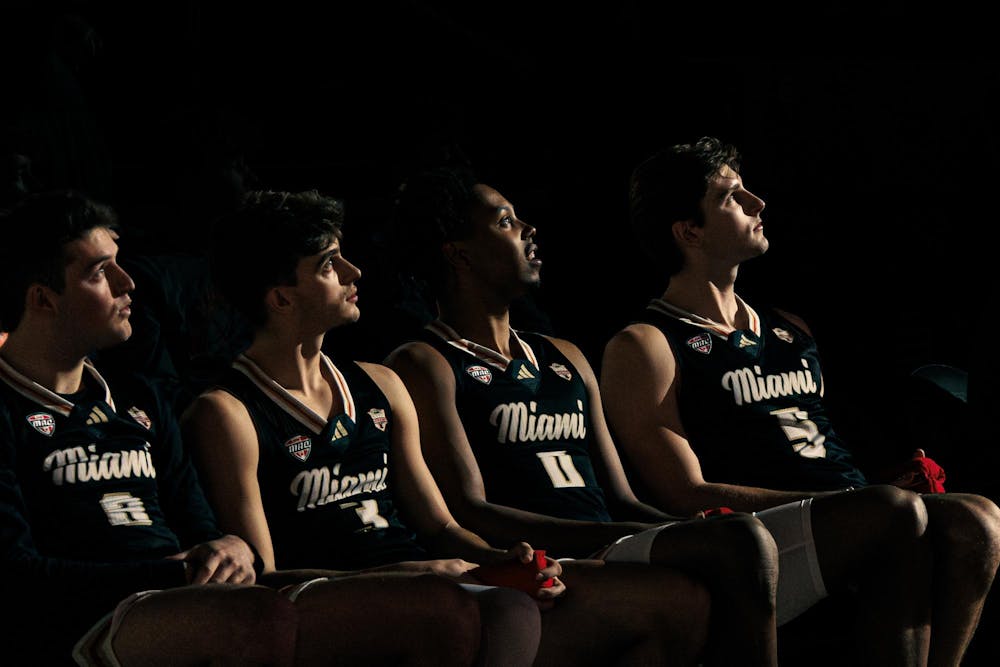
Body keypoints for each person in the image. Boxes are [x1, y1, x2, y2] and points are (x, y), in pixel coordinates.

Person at [180, 189, 712, 667]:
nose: (353, 272)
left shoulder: (379, 383)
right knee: (477, 615)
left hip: (443, 584)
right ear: (281, 297)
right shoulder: (227, 411)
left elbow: (441, 527)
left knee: (679, 602)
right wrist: (415, 578)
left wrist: (502, 559)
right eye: (328, 264)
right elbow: (266, 581)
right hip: (351, 605)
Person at [0, 190, 490, 667]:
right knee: (258, 616)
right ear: (43, 299)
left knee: (463, 613)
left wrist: (227, 547)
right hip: (84, 617)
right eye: (101, 272)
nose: (129, 283)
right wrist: (176, 572)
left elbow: (203, 530)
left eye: (120, 263)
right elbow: (19, 574)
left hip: (177, 596)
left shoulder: (141, 397)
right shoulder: (8, 407)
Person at [600, 136, 1000, 666]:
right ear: (688, 230)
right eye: (731, 197)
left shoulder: (790, 327)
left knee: (978, 517)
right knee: (891, 511)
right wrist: (848, 504)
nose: (757, 204)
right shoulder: (646, 342)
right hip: (759, 541)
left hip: (857, 513)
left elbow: (824, 451)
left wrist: (865, 493)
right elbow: (681, 490)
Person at [382, 167, 803, 666]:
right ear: (459, 253)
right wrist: (627, 537)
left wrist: (675, 528)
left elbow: (620, 497)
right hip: (543, 557)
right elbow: (470, 509)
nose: (527, 229)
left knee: (727, 542)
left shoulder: (566, 355)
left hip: (606, 547)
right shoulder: (424, 361)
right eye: (504, 222)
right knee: (728, 553)